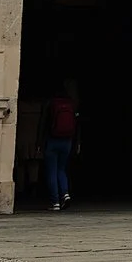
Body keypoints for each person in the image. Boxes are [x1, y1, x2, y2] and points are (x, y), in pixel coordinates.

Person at [43, 80, 79, 211]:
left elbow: (43, 124)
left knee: (52, 171)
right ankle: (65, 193)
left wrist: (39, 143)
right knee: (62, 170)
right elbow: (76, 124)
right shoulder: (71, 104)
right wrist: (77, 142)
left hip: (52, 140)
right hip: (67, 141)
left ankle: (55, 202)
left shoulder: (50, 103)